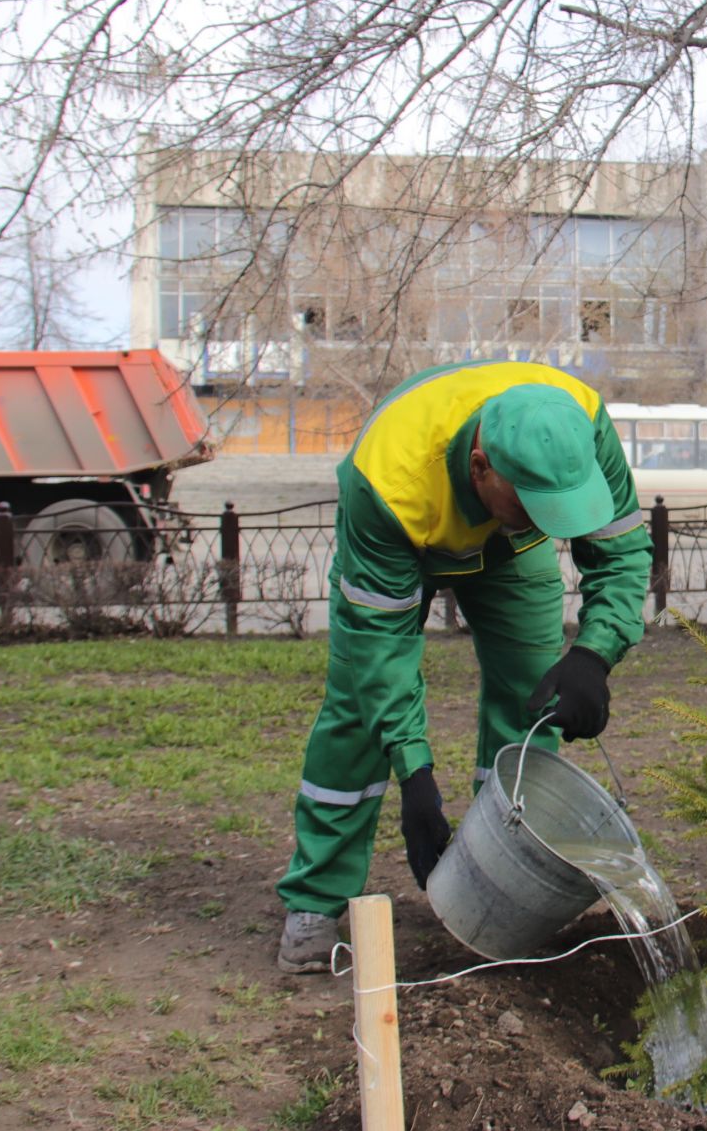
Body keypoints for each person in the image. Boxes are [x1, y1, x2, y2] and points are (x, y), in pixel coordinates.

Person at [276, 361, 653, 972]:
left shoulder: (578, 419)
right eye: (534, 502)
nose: (551, 521)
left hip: (509, 547)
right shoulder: (387, 478)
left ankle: (500, 886)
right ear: (481, 467)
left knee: (531, 698)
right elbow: (382, 652)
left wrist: (593, 654)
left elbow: (620, 551)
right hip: (404, 537)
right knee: (356, 709)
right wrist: (415, 775)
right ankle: (315, 902)